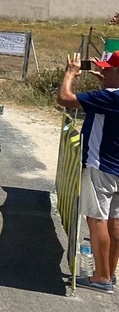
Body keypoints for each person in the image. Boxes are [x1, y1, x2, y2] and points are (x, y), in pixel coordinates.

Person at [57, 51, 119, 293]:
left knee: (97, 220)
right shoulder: (109, 96)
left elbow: (64, 98)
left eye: (108, 69)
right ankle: (109, 273)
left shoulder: (110, 97)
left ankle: (101, 278)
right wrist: (106, 84)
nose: (102, 71)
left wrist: (70, 73)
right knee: (114, 222)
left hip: (100, 167)